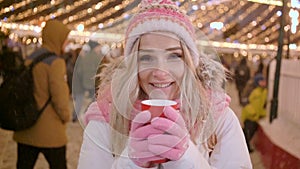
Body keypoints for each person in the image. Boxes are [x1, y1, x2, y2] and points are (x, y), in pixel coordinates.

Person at [77, 0, 252, 168]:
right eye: (146, 57)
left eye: (174, 56)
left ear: (189, 62)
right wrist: (130, 163)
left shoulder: (217, 116)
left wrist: (187, 159)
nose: (160, 72)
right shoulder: (107, 116)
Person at [13, 20, 71, 169]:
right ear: (57, 38)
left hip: (26, 127)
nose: (67, 42)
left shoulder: (30, 59)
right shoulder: (56, 63)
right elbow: (60, 98)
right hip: (50, 132)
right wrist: (66, 116)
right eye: (65, 38)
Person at [72, 40, 103, 121]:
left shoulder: (85, 56)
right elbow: (101, 70)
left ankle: (75, 115)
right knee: (95, 99)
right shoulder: (98, 57)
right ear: (95, 47)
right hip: (92, 82)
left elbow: (79, 71)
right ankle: (87, 112)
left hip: (84, 82)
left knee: (81, 99)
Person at [241, 73, 267, 153]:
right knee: (247, 133)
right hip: (249, 116)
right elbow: (245, 101)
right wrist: (252, 112)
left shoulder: (263, 91)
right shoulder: (252, 89)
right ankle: (244, 149)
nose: (263, 82)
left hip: (255, 116)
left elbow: (262, 104)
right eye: (261, 81)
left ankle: (245, 148)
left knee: (247, 133)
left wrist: (262, 113)